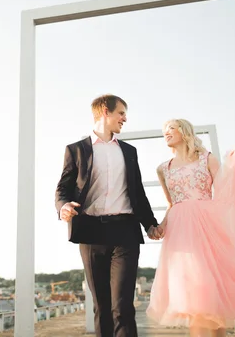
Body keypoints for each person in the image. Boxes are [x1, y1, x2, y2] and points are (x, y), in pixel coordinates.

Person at [146, 119, 235, 337]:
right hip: (180, 231)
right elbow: (171, 203)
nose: (166, 133)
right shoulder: (163, 168)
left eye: (171, 129)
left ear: (184, 131)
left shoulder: (206, 158)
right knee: (192, 291)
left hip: (207, 227)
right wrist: (160, 226)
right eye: (164, 131)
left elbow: (226, 192)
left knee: (209, 291)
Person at [55, 94, 161, 337]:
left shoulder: (129, 151)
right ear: (105, 111)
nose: (125, 118)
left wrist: (151, 224)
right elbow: (63, 188)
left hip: (125, 232)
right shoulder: (76, 150)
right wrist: (62, 206)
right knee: (102, 306)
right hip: (91, 233)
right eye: (121, 113)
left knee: (122, 305)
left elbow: (138, 192)